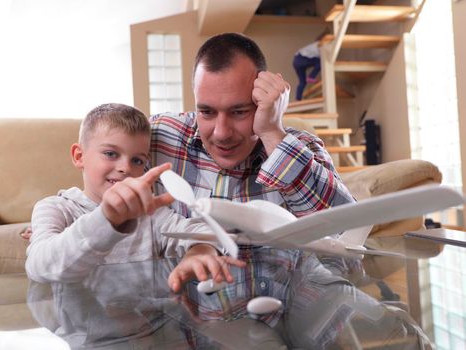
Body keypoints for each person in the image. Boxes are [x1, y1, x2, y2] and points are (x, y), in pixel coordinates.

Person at [151, 32, 356, 292]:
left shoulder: (301, 149)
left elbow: (347, 238)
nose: (221, 132)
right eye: (207, 112)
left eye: (239, 112)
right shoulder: (159, 136)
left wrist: (271, 132)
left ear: (263, 104)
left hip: (277, 321)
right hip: (183, 318)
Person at [25, 103, 245, 285]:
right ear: (79, 156)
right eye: (111, 153)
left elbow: (205, 232)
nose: (125, 168)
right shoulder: (55, 208)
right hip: (82, 332)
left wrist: (199, 252)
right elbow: (39, 266)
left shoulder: (150, 215)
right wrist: (107, 219)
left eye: (137, 160)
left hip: (146, 330)